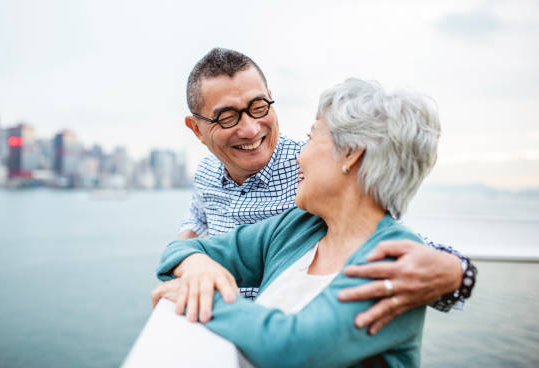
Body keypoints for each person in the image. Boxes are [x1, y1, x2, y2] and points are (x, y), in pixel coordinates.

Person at [172, 48, 476, 333]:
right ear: (196, 129)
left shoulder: (313, 176)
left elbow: (383, 236)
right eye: (227, 117)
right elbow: (197, 217)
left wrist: (456, 272)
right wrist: (191, 260)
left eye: (258, 106)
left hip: (282, 340)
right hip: (212, 335)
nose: (251, 129)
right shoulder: (206, 173)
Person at [154, 79, 441, 367]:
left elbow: (293, 348)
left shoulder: (397, 261)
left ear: (352, 153)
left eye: (310, 137)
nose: (298, 156)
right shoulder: (299, 226)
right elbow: (178, 252)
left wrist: (205, 300)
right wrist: (197, 265)